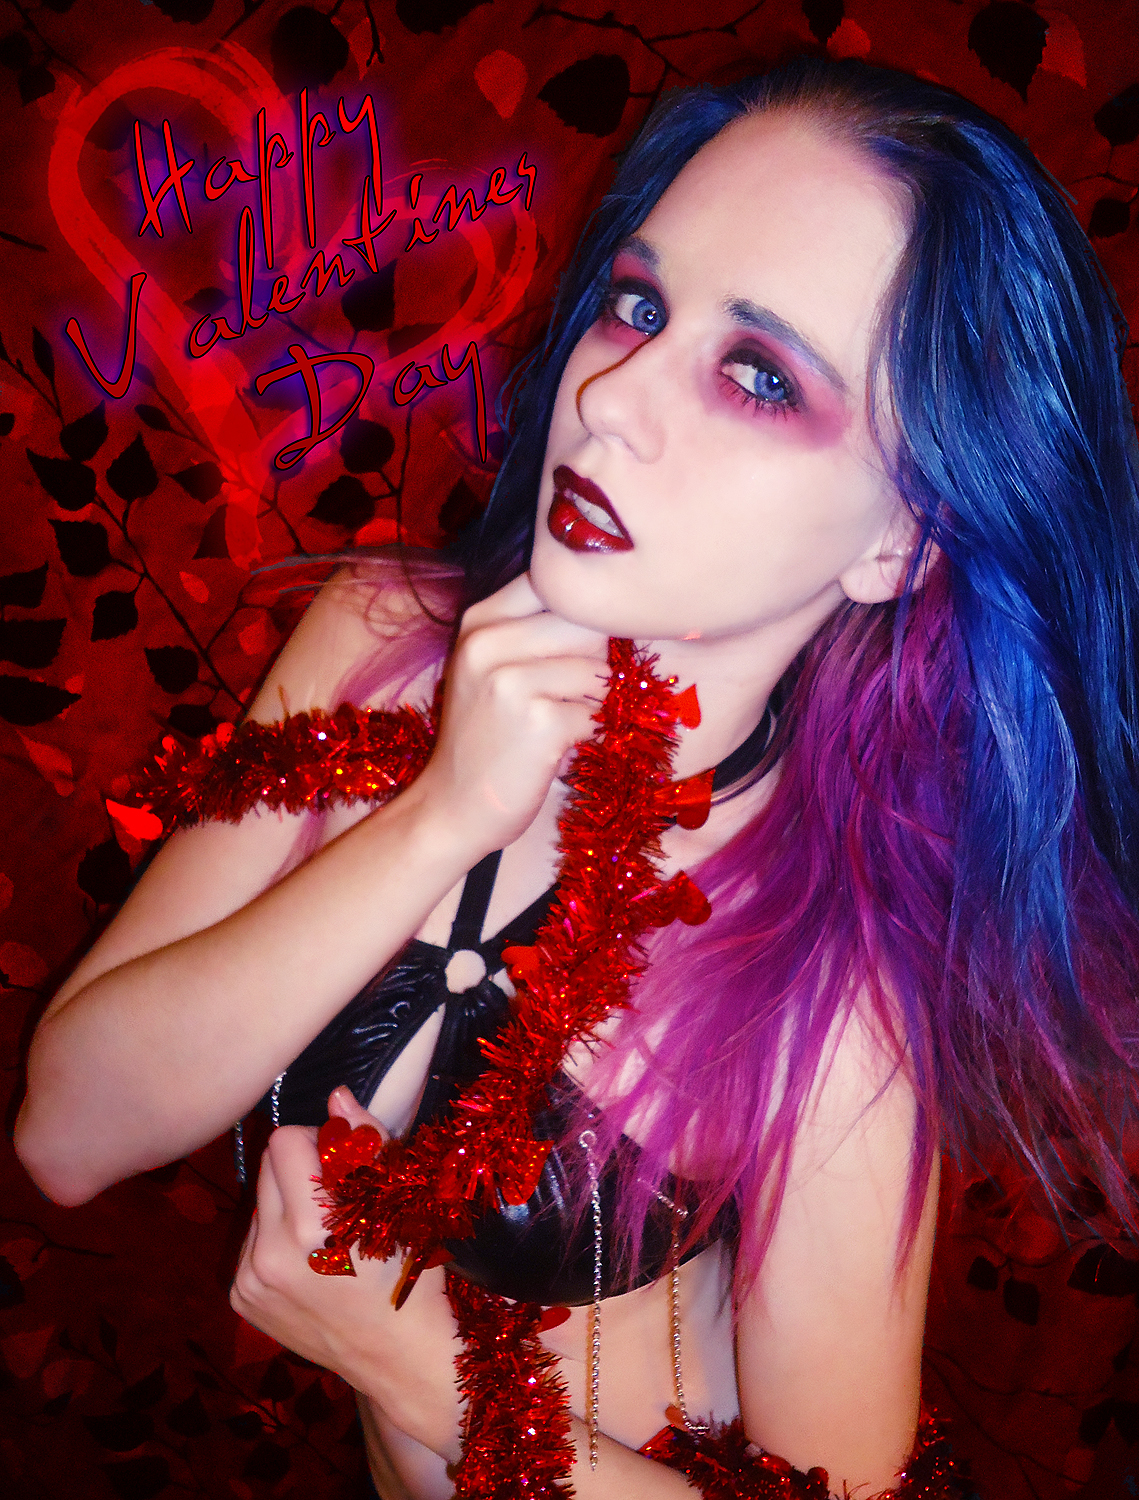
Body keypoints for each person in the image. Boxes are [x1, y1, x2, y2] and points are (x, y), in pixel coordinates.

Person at [15, 57, 1139, 1500]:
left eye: (759, 377)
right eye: (638, 304)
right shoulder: (378, 642)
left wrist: (416, 1370)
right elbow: (65, 1137)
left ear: (899, 541)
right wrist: (439, 817)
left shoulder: (830, 991)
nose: (609, 400)